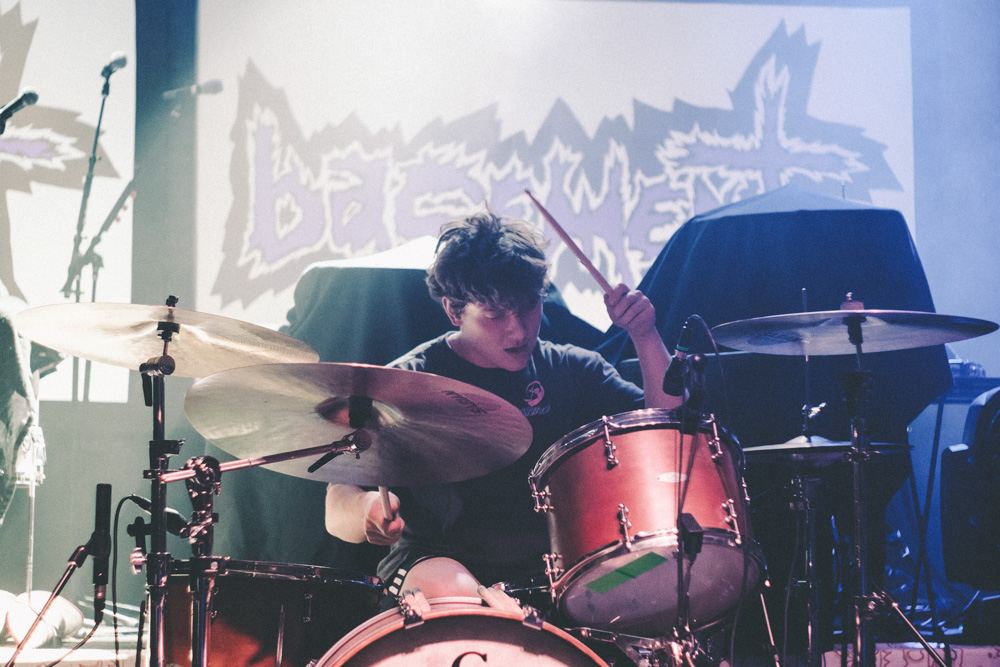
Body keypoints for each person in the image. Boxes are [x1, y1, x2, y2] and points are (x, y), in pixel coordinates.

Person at [324, 212, 679, 608]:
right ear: (454, 311)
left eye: (529, 306)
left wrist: (644, 333)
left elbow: (669, 428)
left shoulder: (573, 369)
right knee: (462, 598)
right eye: (494, 315)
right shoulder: (406, 382)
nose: (519, 330)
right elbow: (337, 502)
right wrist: (367, 510)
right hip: (437, 565)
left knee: (660, 567)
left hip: (561, 575)